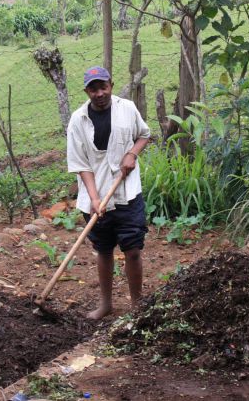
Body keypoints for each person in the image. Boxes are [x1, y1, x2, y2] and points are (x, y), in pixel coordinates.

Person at [66, 66, 151, 320]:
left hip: (127, 192)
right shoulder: (77, 120)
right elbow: (81, 165)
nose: (99, 93)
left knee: (132, 249)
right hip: (95, 196)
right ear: (87, 91)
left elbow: (144, 135)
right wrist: (94, 198)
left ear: (111, 85)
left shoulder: (127, 109)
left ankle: (137, 305)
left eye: (103, 86)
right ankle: (106, 305)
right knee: (103, 250)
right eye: (93, 88)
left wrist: (132, 154)